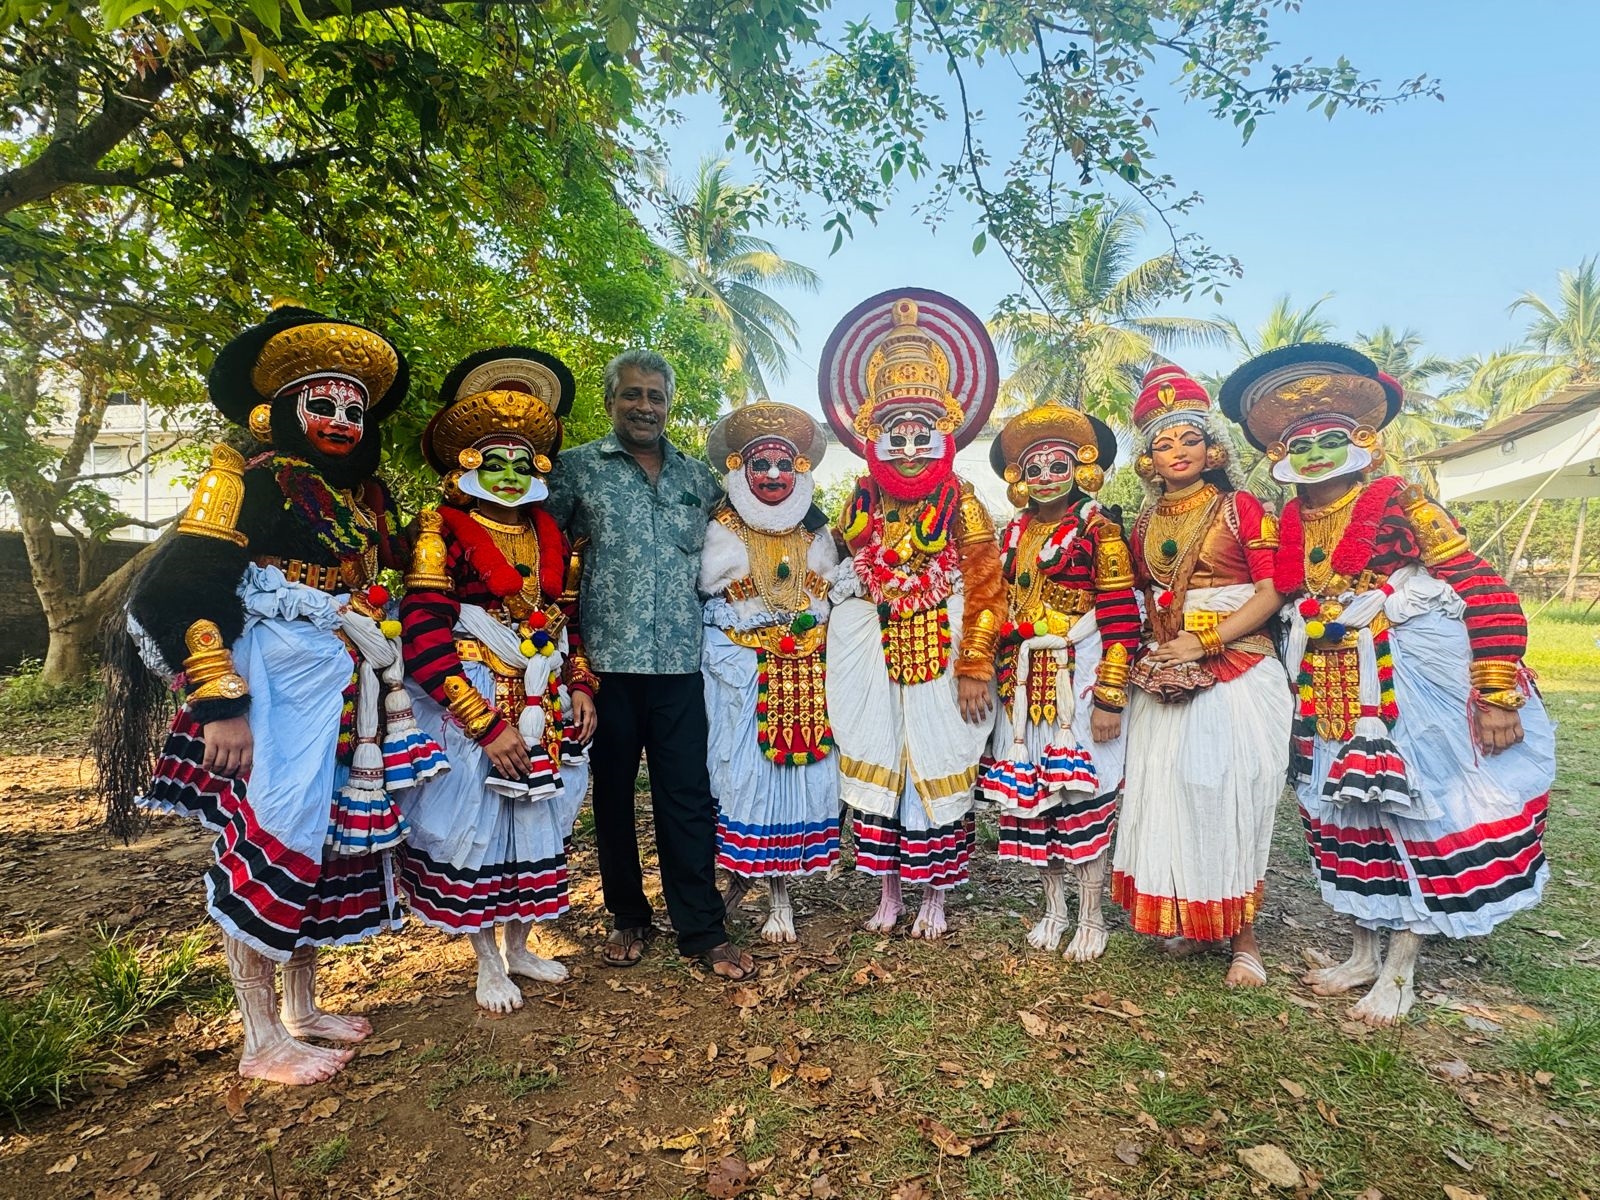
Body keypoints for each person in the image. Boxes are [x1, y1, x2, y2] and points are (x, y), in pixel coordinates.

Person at [95, 304, 437, 1083]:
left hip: (343, 687)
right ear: (283, 410)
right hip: (270, 694)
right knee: (273, 838)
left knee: (319, 845)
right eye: (323, 405)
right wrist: (221, 703)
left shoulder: (366, 500)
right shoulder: (242, 480)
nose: (343, 420)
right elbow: (177, 590)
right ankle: (259, 1040)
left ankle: (302, 1006)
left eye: (355, 408)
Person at [1219, 343, 1554, 1025]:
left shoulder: (1403, 501)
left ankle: (1401, 969)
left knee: (1417, 815)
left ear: (1364, 441)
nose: (1313, 453)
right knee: (1349, 817)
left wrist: (1495, 692)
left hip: (1412, 688)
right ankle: (1362, 953)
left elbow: (1480, 586)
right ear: (1279, 452)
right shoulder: (1289, 519)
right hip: (1330, 683)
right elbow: (1287, 595)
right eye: (1298, 442)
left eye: (1330, 439)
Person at [397, 347, 599, 1012]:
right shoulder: (439, 530)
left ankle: (519, 947)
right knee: (475, 830)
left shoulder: (551, 534)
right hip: (474, 702)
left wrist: (580, 687)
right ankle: (485, 959)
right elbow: (424, 631)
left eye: (522, 461)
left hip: (543, 696)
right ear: (467, 464)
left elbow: (565, 620)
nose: (509, 474)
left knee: (535, 826)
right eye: (494, 461)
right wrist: (481, 723)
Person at [543, 350, 754, 981]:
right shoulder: (578, 470)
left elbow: (761, 522)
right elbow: (538, 550)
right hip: (602, 670)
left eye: (655, 396)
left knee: (686, 797)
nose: (644, 407)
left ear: (669, 403)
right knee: (611, 798)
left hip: (681, 665)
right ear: (611, 402)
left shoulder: (698, 479)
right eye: (631, 395)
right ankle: (628, 916)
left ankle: (701, 927)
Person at [819, 291, 1004, 939]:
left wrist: (977, 663)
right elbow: (831, 574)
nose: (907, 444)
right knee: (884, 774)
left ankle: (936, 899)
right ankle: (890, 894)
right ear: (874, 433)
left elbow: (987, 587)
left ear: (943, 430)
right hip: (873, 665)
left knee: (934, 769)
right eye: (894, 431)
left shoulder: (964, 500)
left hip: (943, 662)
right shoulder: (860, 500)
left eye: (920, 430)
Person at [1109, 365, 1292, 988]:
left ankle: (1246, 938)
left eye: (1188, 439)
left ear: (1213, 449)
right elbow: (1135, 597)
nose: (1178, 452)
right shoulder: (1143, 524)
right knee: (1171, 791)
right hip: (1169, 670)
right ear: (1148, 462)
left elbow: (1272, 592)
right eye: (1163, 444)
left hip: (1237, 665)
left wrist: (1206, 639)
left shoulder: (1239, 506)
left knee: (1231, 791)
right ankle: (1191, 914)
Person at [980, 404, 1140, 961]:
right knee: (1035, 801)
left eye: (1058, 464)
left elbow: (1122, 618)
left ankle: (1092, 917)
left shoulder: (1100, 529)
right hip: (1021, 686)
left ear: (1082, 468)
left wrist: (1111, 697)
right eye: (1034, 467)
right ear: (1018, 477)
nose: (1046, 476)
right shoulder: (1015, 532)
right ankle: (1053, 908)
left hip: (1080, 681)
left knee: (1081, 796)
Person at [698, 400, 841, 943]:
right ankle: (742, 876)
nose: (775, 475)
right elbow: (709, 601)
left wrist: (807, 631)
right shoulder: (721, 525)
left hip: (806, 671)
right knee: (741, 780)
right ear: (742, 469)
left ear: (799, 470)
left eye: (785, 464)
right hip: (742, 675)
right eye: (762, 465)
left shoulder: (815, 529)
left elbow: (831, 595)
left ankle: (781, 896)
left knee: (797, 779)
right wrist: (745, 646)